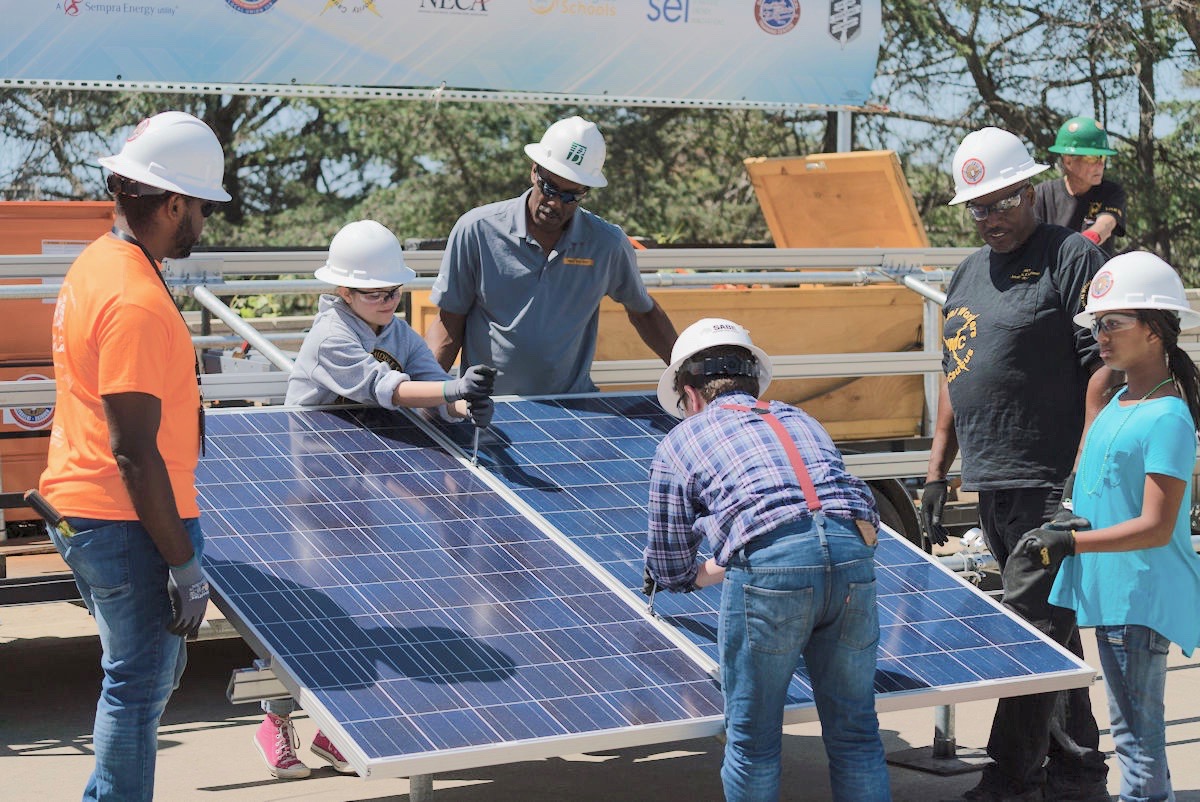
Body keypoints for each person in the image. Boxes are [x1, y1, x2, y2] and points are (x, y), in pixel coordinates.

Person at [37, 111, 229, 801]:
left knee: (140, 676)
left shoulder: (98, 263)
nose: (205, 219)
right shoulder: (136, 298)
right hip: (128, 523)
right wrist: (182, 563)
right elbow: (134, 454)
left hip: (88, 511)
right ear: (172, 202)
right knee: (136, 690)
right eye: (203, 205)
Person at [260, 219, 495, 779]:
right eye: (374, 292)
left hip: (366, 488)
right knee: (306, 613)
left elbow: (428, 381)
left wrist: (464, 405)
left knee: (363, 610)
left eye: (395, 291)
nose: (388, 301)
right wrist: (448, 391)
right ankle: (275, 723)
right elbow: (384, 388)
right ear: (343, 291)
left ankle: (332, 731)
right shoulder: (332, 334)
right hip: (316, 494)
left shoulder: (396, 331)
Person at [920, 126, 1113, 802]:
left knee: (1030, 628)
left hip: (1049, 481)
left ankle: (1008, 777)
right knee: (1052, 634)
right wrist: (937, 472)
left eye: (1002, 202)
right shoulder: (967, 272)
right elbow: (957, 370)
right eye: (978, 207)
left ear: (1031, 191)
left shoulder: (1070, 258)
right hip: (993, 480)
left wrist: (1078, 482)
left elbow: (1106, 372)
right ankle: (1079, 774)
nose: (991, 217)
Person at [643, 318, 891, 802]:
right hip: (851, 558)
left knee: (754, 744)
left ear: (690, 394)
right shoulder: (803, 420)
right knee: (856, 733)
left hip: (772, 573)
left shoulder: (680, 441)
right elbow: (828, 509)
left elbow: (670, 566)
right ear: (753, 380)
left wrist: (697, 571)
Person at [1011, 252, 1200, 802]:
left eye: (1113, 324)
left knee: (1136, 746)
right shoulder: (1117, 397)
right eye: (1098, 325)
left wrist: (1068, 541)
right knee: (1139, 741)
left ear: (1156, 329)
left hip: (1138, 593)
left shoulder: (1167, 416)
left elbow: (1156, 527)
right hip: (1112, 588)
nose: (1101, 336)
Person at [425, 115, 677, 396]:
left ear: (586, 191)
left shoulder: (606, 244)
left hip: (573, 407)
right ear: (534, 171)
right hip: (489, 407)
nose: (555, 203)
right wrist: (426, 398)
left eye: (571, 195)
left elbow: (645, 314)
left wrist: (686, 376)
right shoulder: (477, 230)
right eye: (549, 187)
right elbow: (449, 323)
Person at [1034, 115, 1126, 255]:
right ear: (1068, 160)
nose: (1100, 164)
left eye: (1102, 157)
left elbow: (1106, 225)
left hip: (1094, 274)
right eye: (1092, 157)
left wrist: (1079, 247)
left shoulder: (1111, 192)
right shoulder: (1042, 194)